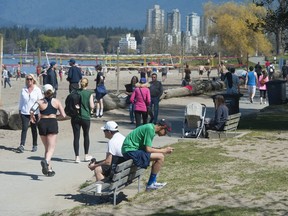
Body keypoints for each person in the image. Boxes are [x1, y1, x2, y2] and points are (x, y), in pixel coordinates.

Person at [121, 119, 174, 191]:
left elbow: (147, 148)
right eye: (165, 132)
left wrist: (161, 150)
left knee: (158, 155)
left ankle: (153, 182)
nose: (165, 134)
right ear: (162, 127)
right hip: (130, 151)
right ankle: (151, 184)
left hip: (131, 150)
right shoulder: (150, 129)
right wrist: (164, 150)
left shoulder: (150, 128)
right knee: (160, 157)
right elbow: (148, 149)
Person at [30, 84, 66, 177]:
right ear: (52, 91)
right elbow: (64, 115)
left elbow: (31, 110)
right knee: (51, 147)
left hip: (42, 123)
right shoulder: (56, 102)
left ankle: (49, 169)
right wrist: (55, 116)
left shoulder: (39, 102)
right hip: (52, 123)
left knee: (47, 148)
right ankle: (45, 162)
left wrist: (32, 118)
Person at [17, 74, 43, 153]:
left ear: (33, 80)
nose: (29, 81)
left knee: (34, 129)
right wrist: (20, 110)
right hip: (25, 112)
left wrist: (40, 112)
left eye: (30, 79)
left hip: (35, 112)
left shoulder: (37, 90)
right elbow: (21, 101)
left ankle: (34, 145)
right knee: (24, 128)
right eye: (27, 79)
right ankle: (22, 145)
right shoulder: (23, 89)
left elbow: (40, 101)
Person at [71, 78, 95, 163]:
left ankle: (77, 157)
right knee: (86, 135)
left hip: (75, 117)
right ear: (87, 84)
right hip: (85, 116)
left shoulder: (75, 92)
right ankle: (86, 155)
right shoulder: (89, 93)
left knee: (76, 137)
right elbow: (92, 106)